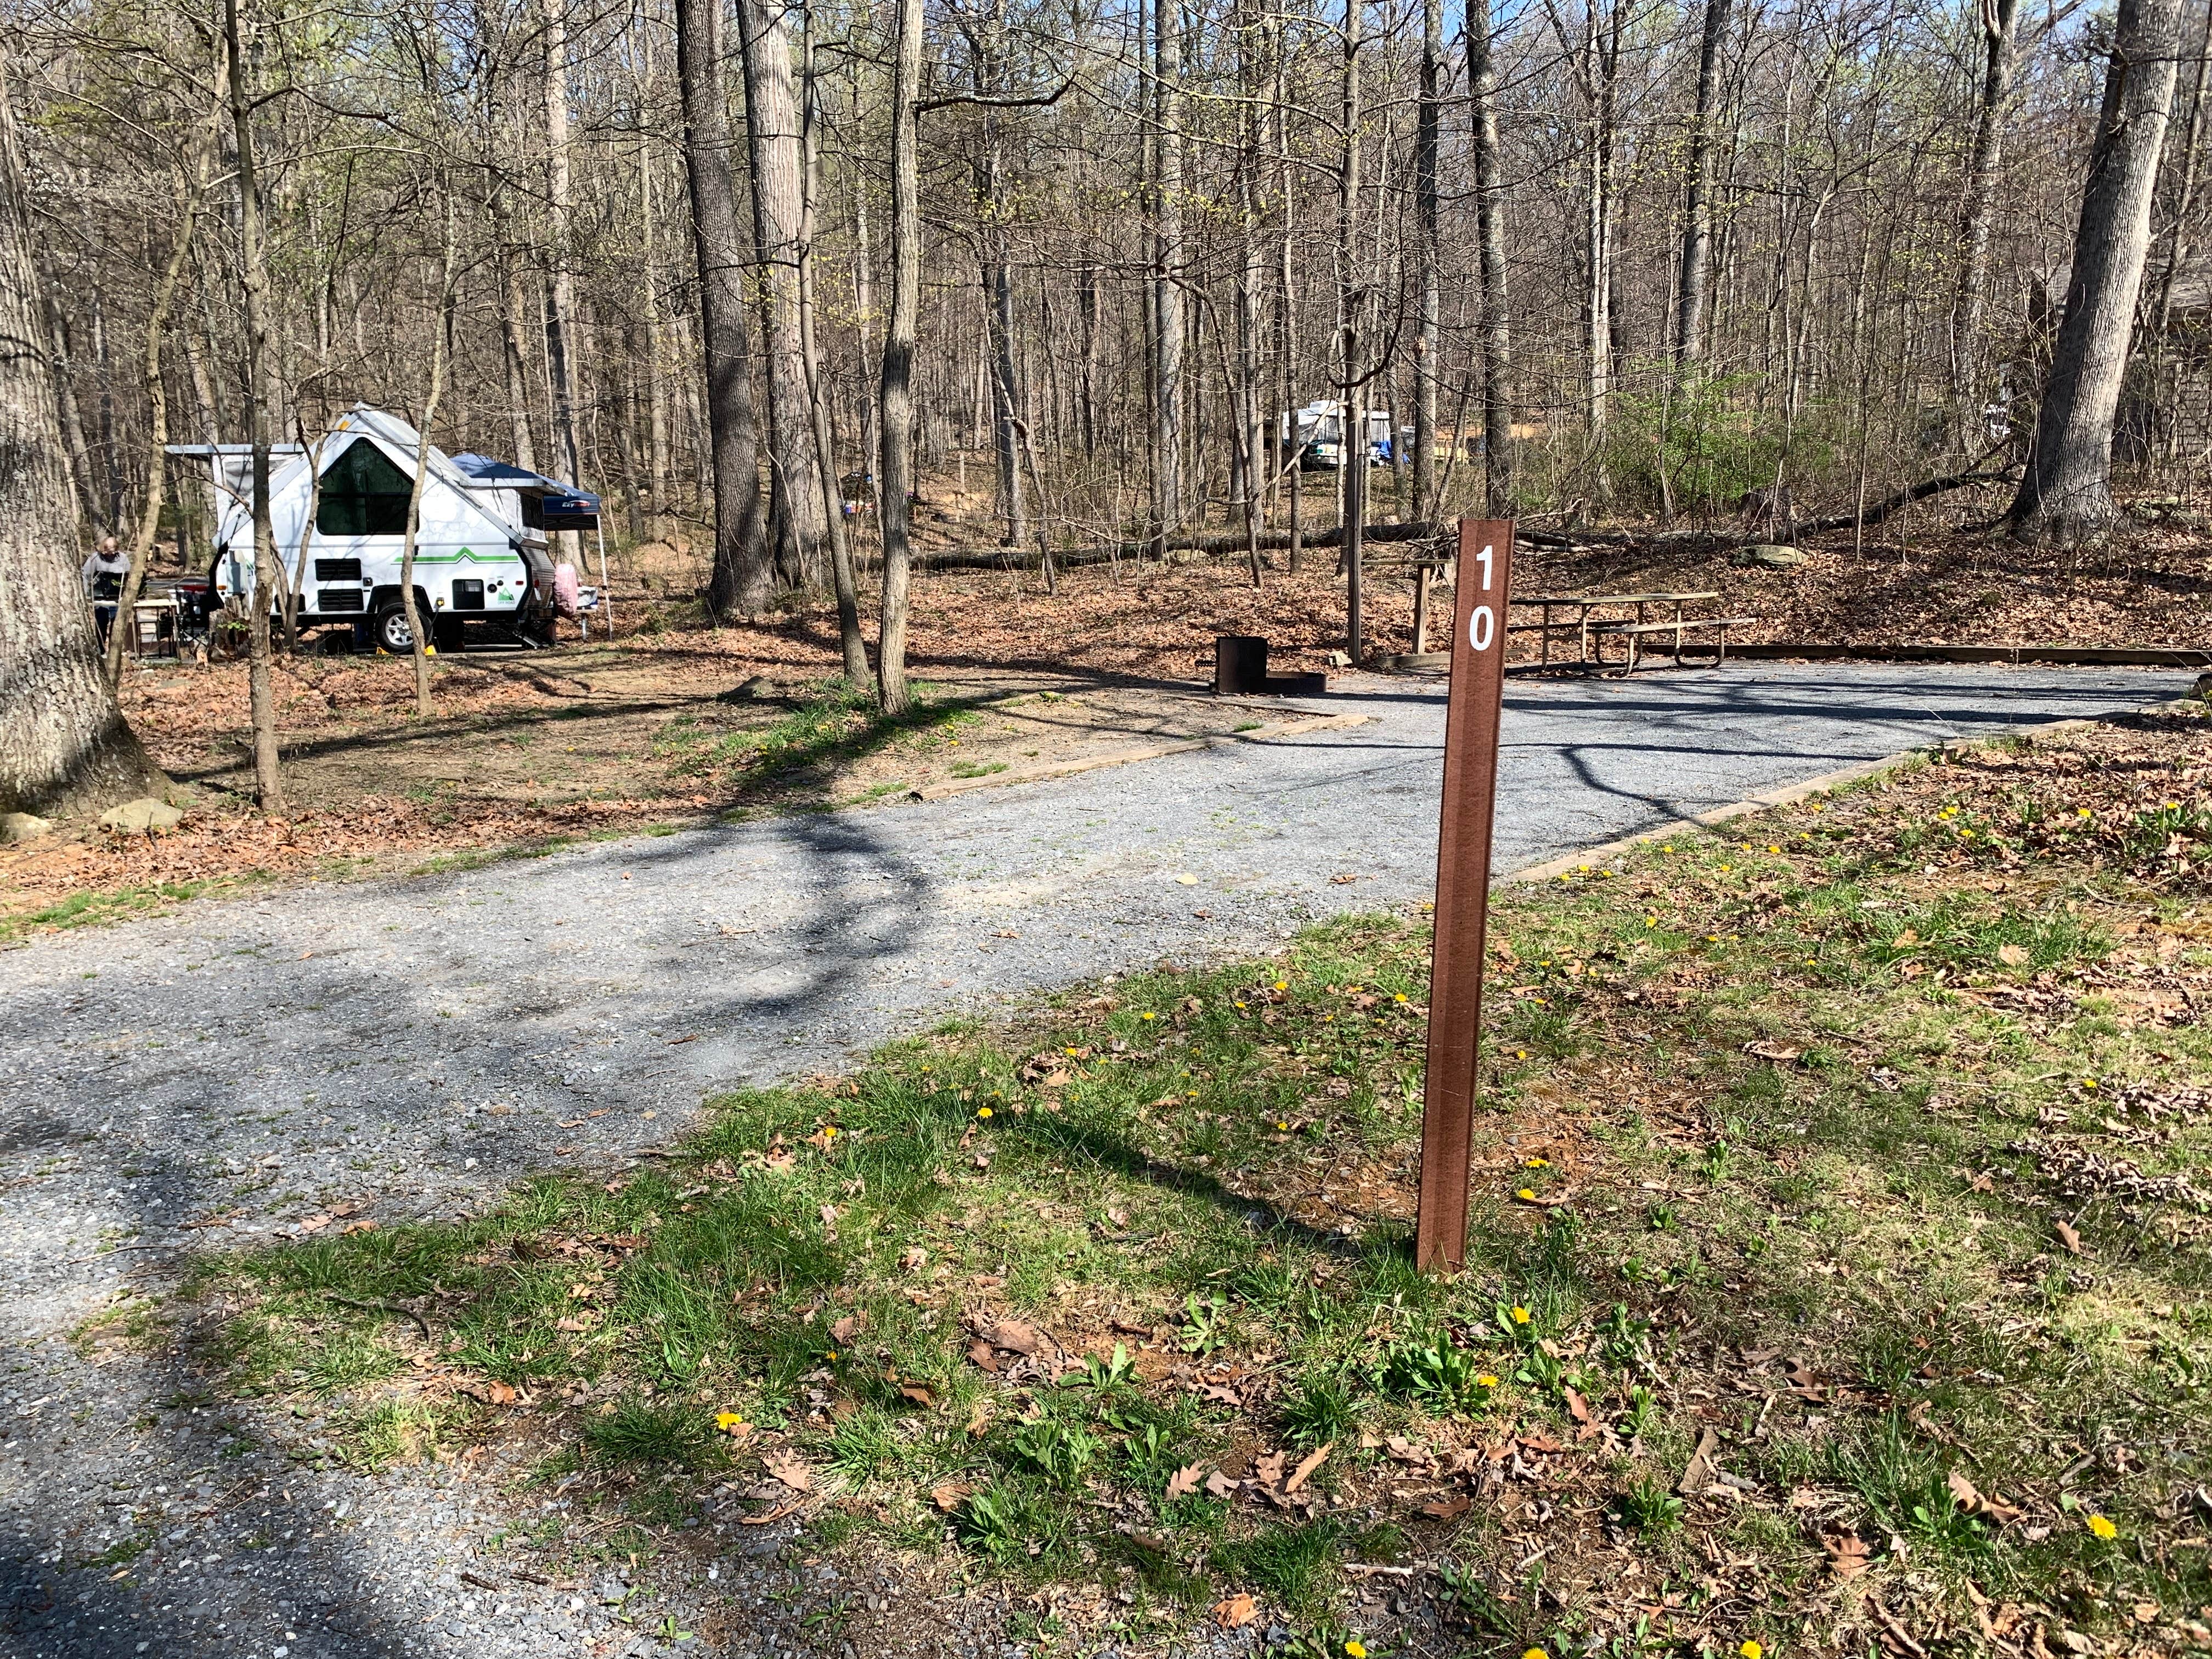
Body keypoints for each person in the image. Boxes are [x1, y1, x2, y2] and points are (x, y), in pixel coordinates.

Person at [81, 535, 131, 651]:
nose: (109, 555)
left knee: (117, 622)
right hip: (100, 598)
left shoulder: (123, 559)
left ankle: (115, 651)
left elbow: (129, 576)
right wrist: (85, 593)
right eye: (107, 552)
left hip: (118, 598)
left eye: (112, 553)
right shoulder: (95, 558)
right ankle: (100, 650)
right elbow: (85, 575)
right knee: (101, 621)